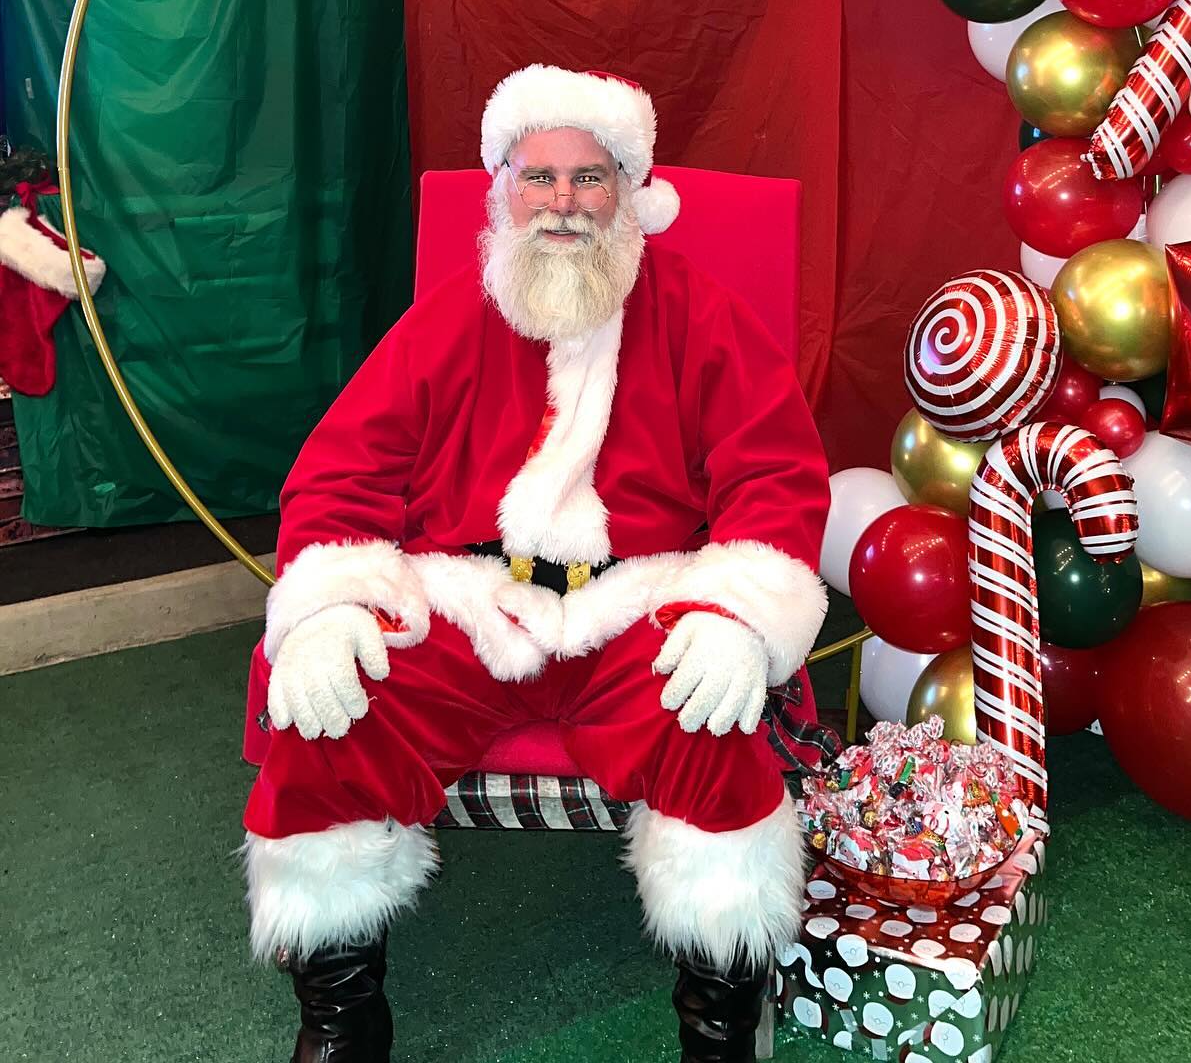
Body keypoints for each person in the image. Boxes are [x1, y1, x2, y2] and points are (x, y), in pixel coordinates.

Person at [241, 65, 831, 1062]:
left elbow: (774, 473)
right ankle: (341, 1023)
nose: (563, 202)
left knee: (710, 720)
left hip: (637, 609)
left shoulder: (700, 315)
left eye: (588, 178)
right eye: (540, 177)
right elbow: (343, 471)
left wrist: (736, 612)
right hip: (469, 605)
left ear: (629, 191)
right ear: (503, 191)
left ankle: (722, 1027)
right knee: (337, 709)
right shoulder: (447, 320)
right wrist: (331, 604)